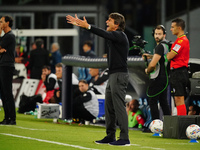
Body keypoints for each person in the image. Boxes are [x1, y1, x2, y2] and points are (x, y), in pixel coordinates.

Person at [66, 12, 130, 146]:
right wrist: (83, 25)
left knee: (119, 106)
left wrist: (87, 26)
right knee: (109, 107)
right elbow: (105, 34)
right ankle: (110, 136)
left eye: (109, 20)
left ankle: (124, 138)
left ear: (117, 24)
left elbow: (103, 33)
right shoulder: (114, 37)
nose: (106, 22)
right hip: (113, 74)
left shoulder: (119, 35)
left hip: (119, 75)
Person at [143, 25, 171, 121]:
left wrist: (147, 70)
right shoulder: (166, 45)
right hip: (165, 78)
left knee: (152, 101)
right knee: (163, 102)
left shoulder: (160, 46)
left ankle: (155, 125)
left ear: (164, 35)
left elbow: (152, 65)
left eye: (159, 34)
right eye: (155, 34)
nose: (157, 36)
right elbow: (162, 59)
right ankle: (169, 126)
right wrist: (151, 56)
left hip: (158, 78)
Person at [167, 18, 190, 116]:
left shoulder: (181, 41)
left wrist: (168, 55)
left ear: (179, 28)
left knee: (179, 98)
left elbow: (170, 56)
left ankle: (182, 123)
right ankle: (181, 122)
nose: (171, 29)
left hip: (179, 72)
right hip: (177, 72)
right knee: (178, 98)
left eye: (172, 27)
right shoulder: (179, 40)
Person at [0, 15, 16, 125]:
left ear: (7, 23)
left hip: (6, 66)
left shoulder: (10, 36)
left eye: (1, 22)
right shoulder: (5, 36)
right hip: (2, 65)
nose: (0, 23)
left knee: (7, 92)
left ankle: (12, 118)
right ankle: (7, 117)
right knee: (2, 93)